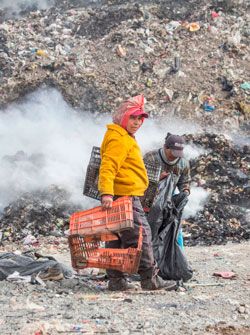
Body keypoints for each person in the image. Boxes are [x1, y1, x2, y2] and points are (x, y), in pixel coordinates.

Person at [98, 95, 176, 291]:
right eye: (133, 118)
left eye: (140, 119)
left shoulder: (121, 135)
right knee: (141, 235)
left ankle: (116, 281)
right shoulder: (119, 139)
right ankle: (150, 279)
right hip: (124, 198)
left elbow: (125, 168)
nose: (137, 123)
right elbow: (107, 166)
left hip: (121, 196)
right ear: (123, 117)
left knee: (116, 239)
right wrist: (106, 192)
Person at [143, 133, 191, 248]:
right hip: (148, 201)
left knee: (174, 230)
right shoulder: (151, 158)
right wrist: (158, 179)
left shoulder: (183, 162)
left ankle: (176, 259)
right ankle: (148, 259)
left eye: (179, 153)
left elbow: (184, 181)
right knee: (148, 230)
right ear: (165, 147)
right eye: (173, 153)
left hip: (169, 202)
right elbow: (139, 179)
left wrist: (185, 191)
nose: (176, 157)